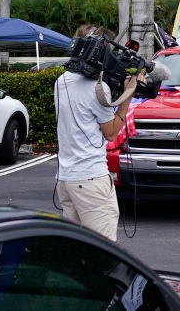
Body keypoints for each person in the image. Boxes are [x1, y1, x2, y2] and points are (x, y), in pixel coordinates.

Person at [54, 25, 140, 242]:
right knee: (103, 252)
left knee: (76, 248)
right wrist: (129, 93)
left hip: (66, 179)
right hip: (91, 179)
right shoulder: (97, 88)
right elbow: (111, 133)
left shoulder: (61, 81)